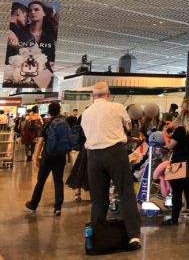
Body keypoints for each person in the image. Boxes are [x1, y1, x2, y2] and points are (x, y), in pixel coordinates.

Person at [81, 82, 141, 249]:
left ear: (93, 96)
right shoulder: (117, 107)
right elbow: (128, 127)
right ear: (108, 94)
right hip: (115, 153)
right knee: (126, 193)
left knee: (98, 199)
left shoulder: (86, 113)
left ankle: (96, 236)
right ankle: (133, 236)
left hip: (93, 156)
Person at [25, 102, 67, 216]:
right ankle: (58, 207)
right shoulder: (64, 124)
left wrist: (35, 158)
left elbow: (39, 143)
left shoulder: (46, 125)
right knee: (58, 181)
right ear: (59, 111)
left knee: (41, 181)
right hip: (61, 156)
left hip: (48, 156)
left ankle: (33, 204)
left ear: (48, 112)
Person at [66, 112, 89, 202]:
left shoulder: (79, 125)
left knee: (79, 170)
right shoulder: (88, 126)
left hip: (82, 150)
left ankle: (78, 194)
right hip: (89, 150)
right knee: (88, 172)